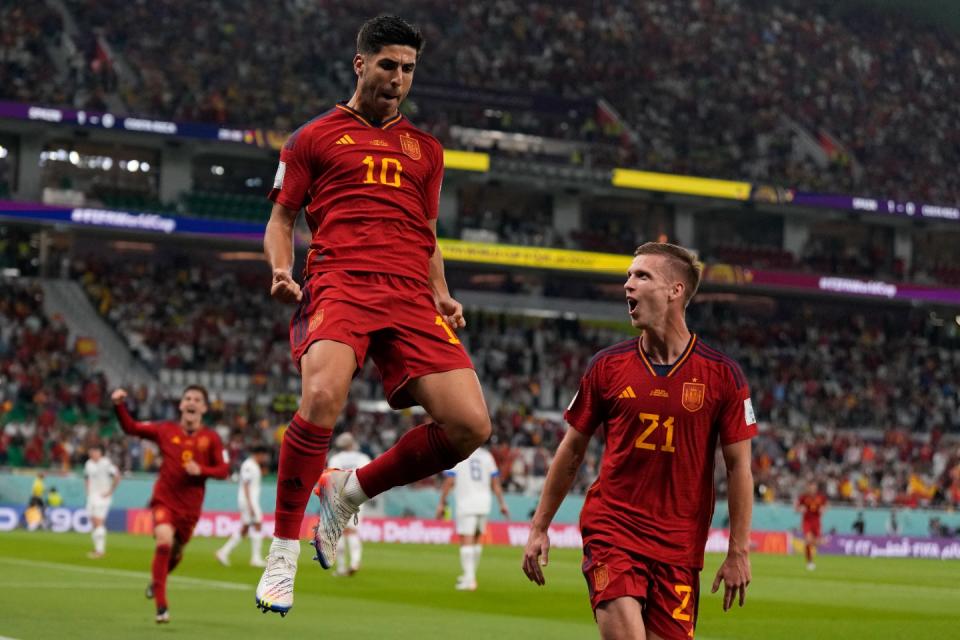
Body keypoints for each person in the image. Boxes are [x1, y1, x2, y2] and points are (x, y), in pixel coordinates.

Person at [254, 14, 490, 616]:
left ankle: (349, 490)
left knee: (470, 427)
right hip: (341, 280)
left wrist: (442, 292)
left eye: (408, 68)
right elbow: (282, 219)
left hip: (411, 292)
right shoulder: (312, 138)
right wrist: (282, 270)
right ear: (361, 64)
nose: (398, 78)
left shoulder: (426, 150)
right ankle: (281, 555)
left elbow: (429, 234)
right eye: (388, 65)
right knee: (323, 397)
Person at [522, 242, 756, 640]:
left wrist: (738, 551)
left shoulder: (723, 376)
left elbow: (739, 468)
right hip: (614, 530)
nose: (627, 285)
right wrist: (539, 527)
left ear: (675, 290)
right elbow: (572, 449)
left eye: (641, 276)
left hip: (680, 547)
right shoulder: (607, 366)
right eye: (628, 276)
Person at [112, 385, 229, 624]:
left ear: (204, 408)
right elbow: (131, 427)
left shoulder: (212, 438)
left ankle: (157, 581)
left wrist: (202, 470)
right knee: (164, 541)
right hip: (164, 499)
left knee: (176, 551)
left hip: (190, 508)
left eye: (197, 399)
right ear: (181, 405)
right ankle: (161, 607)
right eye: (187, 398)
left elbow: (224, 470)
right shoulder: (165, 430)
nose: (192, 402)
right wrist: (119, 406)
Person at [435, 445, 509, 591]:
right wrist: (502, 503)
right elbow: (495, 483)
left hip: (466, 503)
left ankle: (469, 580)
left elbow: (449, 481)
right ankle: (470, 575)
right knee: (476, 541)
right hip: (484, 503)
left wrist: (441, 503)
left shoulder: (458, 454)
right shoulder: (487, 456)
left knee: (466, 541)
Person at [323, 432, 372, 576]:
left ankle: (341, 567)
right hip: (358, 496)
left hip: (340, 497)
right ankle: (355, 562)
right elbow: (369, 476)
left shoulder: (336, 459)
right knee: (353, 531)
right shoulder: (363, 458)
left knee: (340, 532)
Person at [217, 445, 270, 568]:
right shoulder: (249, 465)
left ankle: (223, 552)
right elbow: (246, 485)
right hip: (249, 501)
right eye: (263, 456)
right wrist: (250, 504)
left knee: (245, 528)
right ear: (259, 454)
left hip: (249, 500)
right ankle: (255, 558)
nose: (264, 459)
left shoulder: (254, 465)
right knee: (257, 524)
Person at [84, 443, 120, 558]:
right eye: (91, 451)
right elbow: (86, 478)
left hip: (103, 497)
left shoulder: (106, 463)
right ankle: (97, 548)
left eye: (95, 451)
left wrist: (110, 491)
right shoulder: (88, 464)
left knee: (99, 521)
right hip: (92, 497)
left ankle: (100, 551)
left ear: (100, 453)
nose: (93, 453)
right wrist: (88, 492)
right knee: (94, 522)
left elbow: (117, 476)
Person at [795, 481, 827, 571]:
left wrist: (823, 509)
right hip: (807, 521)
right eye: (811, 487)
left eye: (814, 487)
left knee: (816, 542)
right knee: (808, 540)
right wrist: (800, 509)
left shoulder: (820, 497)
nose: (812, 489)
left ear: (816, 488)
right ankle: (809, 562)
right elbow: (796, 507)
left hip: (816, 521)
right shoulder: (804, 497)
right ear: (808, 488)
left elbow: (826, 505)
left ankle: (821, 542)